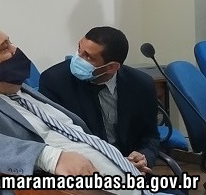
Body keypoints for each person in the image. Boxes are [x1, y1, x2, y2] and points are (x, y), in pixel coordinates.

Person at [0, 20, 157, 195]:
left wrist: (118, 160)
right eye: (5, 48)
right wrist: (50, 157)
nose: (15, 50)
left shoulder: (21, 92)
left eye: (10, 42)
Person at [39, 27, 160, 173]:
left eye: (88, 57)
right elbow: (54, 139)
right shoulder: (54, 81)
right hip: (85, 171)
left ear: (111, 67)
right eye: (79, 49)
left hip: (131, 171)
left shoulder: (141, 84)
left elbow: (150, 135)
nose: (78, 58)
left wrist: (143, 156)